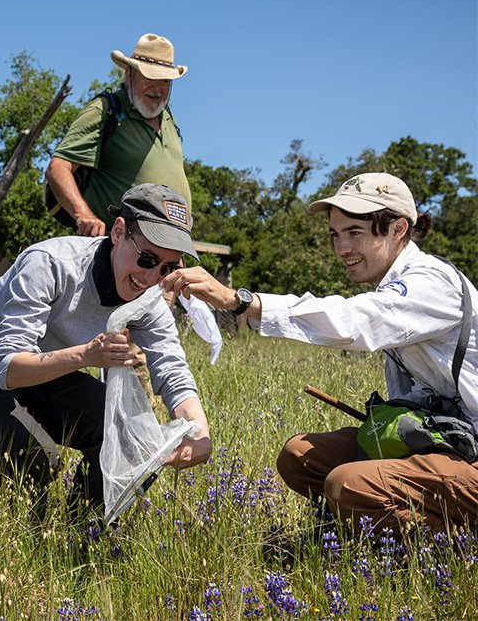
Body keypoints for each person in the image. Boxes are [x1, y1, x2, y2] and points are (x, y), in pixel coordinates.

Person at [161, 172, 478, 536]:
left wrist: (241, 301)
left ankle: (451, 550)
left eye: (355, 233)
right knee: (299, 456)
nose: (341, 248)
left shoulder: (430, 283)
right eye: (335, 235)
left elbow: (355, 322)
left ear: (398, 229)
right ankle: (365, 529)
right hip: (439, 440)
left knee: (348, 484)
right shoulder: (391, 286)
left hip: (469, 452)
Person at [0, 184, 212, 516]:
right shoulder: (51, 264)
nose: (151, 277)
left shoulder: (149, 297)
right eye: (147, 258)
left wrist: (199, 433)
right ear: (119, 232)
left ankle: (81, 539)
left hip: (45, 376)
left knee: (140, 441)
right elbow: (7, 368)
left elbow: (172, 370)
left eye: (167, 268)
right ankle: (18, 541)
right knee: (37, 461)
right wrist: (85, 355)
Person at [45, 33, 190, 237]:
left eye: (165, 80)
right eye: (150, 77)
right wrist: (84, 215)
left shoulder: (168, 117)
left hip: (168, 251)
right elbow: (58, 169)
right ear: (129, 75)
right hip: (119, 250)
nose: (158, 88)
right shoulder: (105, 109)